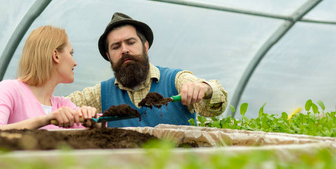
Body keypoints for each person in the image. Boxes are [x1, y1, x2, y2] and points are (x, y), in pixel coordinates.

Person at [68, 12, 228, 127]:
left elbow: (215, 104)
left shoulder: (175, 80)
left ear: (145, 46)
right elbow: (57, 107)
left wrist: (205, 89)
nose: (124, 50)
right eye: (116, 47)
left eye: (130, 42)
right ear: (108, 56)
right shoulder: (101, 94)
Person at [0, 25, 98, 130]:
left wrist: (91, 117)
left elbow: (100, 128)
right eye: (71, 53)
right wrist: (45, 120)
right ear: (56, 55)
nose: (75, 63)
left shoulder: (63, 104)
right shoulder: (9, 89)